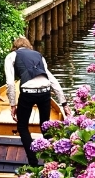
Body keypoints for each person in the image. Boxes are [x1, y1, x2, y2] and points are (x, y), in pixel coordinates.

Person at [4, 37, 66, 167]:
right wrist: (63, 103)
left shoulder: (12, 56)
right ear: (29, 46)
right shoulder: (39, 56)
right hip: (45, 91)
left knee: (22, 126)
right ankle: (53, 160)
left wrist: (12, 104)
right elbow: (52, 79)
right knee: (45, 126)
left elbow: (10, 83)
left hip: (27, 93)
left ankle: (33, 162)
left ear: (15, 46)